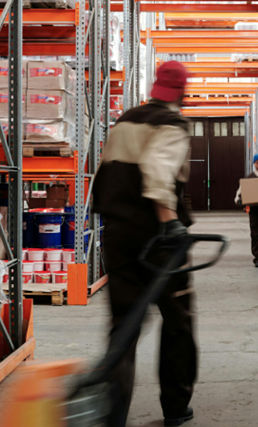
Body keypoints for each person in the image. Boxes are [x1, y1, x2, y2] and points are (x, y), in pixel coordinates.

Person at [92, 61, 197, 427]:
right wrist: (170, 223)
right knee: (177, 320)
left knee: (124, 323)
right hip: (157, 238)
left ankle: (112, 412)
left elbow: (107, 170)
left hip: (117, 234)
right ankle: (175, 405)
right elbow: (156, 169)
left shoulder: (125, 119)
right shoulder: (175, 123)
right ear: (182, 91)